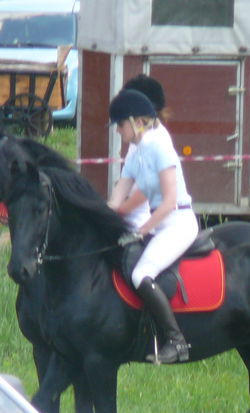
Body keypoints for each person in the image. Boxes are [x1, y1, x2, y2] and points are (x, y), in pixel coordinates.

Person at [107, 88, 198, 364]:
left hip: (179, 223)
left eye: (120, 125)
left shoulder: (159, 146)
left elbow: (169, 201)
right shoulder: (136, 152)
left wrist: (141, 231)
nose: (118, 131)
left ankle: (177, 342)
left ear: (136, 122)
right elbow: (117, 199)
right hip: (161, 225)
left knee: (141, 274)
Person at [115, 74, 170, 230]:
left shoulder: (155, 139)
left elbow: (147, 189)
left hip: (141, 221)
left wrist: (121, 209)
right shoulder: (138, 140)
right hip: (131, 218)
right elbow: (126, 181)